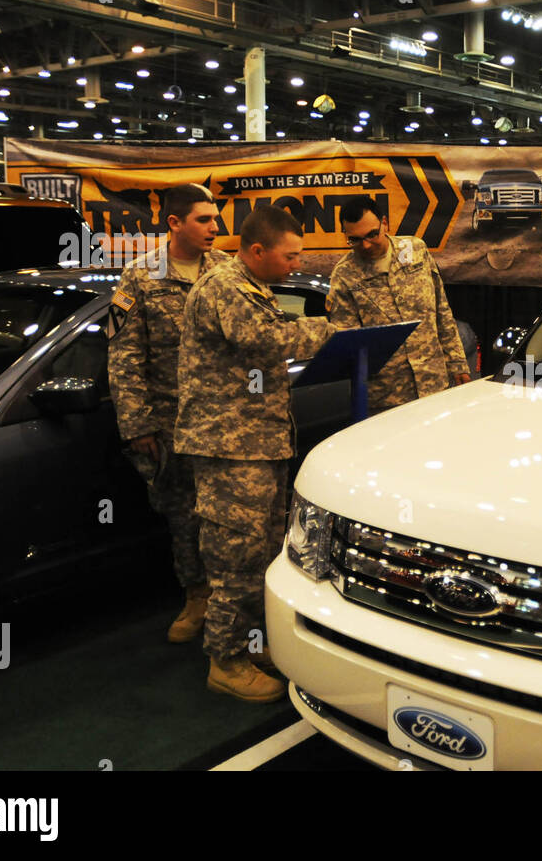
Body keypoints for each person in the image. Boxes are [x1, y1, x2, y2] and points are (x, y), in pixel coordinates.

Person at [175, 206, 341, 703]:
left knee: (266, 549)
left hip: (258, 443)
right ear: (257, 251)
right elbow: (263, 339)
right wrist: (330, 329)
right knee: (236, 556)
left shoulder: (252, 286)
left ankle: (250, 643)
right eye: (289, 256)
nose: (296, 264)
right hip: (229, 448)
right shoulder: (226, 286)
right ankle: (224, 661)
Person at [106, 182, 230, 645]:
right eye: (204, 220)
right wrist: (137, 424)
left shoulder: (227, 271)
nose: (214, 228)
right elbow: (124, 356)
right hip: (171, 422)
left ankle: (229, 603)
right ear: (174, 222)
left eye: (215, 218)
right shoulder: (141, 277)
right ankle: (196, 596)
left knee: (226, 517)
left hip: (225, 422)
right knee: (184, 517)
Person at [326, 195, 471, 413]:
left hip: (434, 385)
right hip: (387, 398)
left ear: (385, 223)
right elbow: (351, 344)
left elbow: (442, 310)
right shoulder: (344, 275)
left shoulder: (416, 250)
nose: (365, 245)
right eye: (355, 239)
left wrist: (457, 363)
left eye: (372, 234)